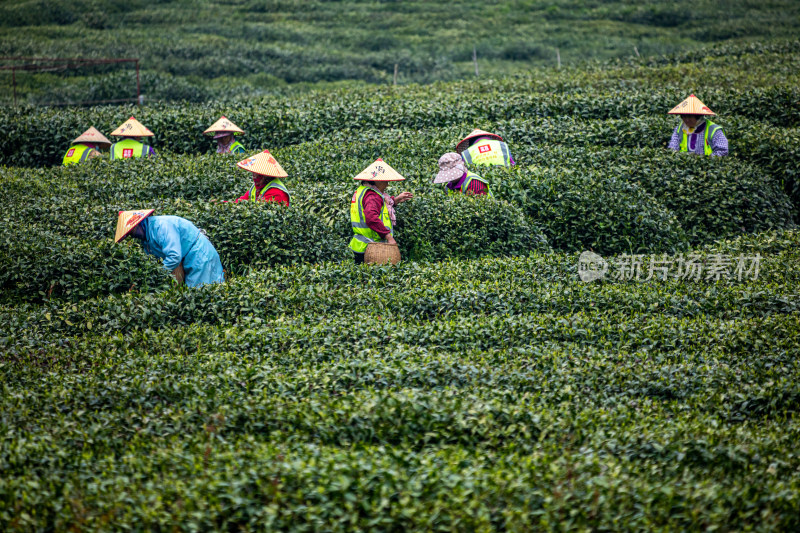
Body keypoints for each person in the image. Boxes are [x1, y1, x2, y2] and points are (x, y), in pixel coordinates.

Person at [115, 209, 224, 288]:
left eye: (132, 232)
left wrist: (159, 274)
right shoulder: (146, 239)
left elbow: (174, 256)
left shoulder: (161, 226)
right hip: (186, 258)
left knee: (203, 292)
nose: (133, 236)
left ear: (138, 225)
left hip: (199, 255)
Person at [349, 158, 413, 264]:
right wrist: (388, 237)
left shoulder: (362, 190)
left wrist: (395, 201)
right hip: (371, 247)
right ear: (377, 180)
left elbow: (379, 209)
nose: (387, 184)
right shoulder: (372, 195)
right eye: (386, 180)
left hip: (360, 245)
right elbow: (371, 217)